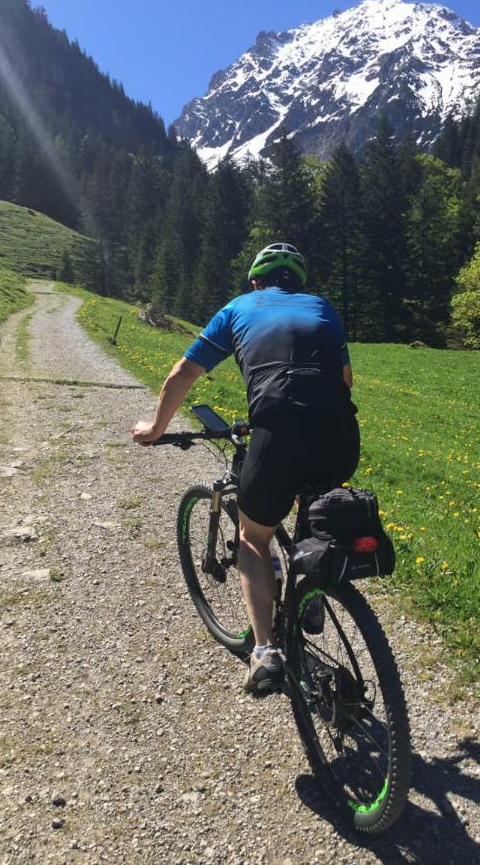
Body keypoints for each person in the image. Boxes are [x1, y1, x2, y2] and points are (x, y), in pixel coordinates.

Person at [131, 242, 359, 694]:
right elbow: (345, 380)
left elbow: (183, 374)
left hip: (277, 434)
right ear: (300, 283)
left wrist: (156, 428)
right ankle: (311, 592)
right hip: (340, 437)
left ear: (256, 280)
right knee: (312, 501)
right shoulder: (322, 307)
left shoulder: (238, 307)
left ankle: (264, 653)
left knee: (253, 540)